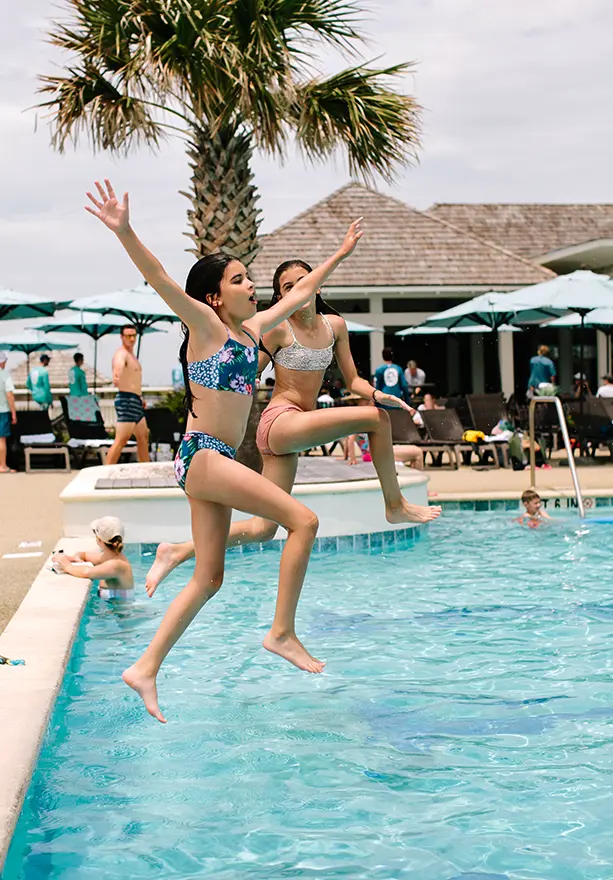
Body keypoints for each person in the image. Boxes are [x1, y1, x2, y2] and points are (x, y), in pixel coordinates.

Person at [86, 177, 363, 722]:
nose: (252, 284)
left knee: (209, 578)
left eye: (251, 277)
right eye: (240, 279)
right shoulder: (207, 325)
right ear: (214, 295)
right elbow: (159, 276)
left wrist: (340, 253)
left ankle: (144, 668)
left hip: (209, 460)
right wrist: (125, 230)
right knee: (302, 521)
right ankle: (282, 632)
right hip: (204, 454)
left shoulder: (253, 330)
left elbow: (303, 294)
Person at [145, 261, 441, 596]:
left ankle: (179, 550)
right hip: (280, 421)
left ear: (316, 286)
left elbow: (353, 380)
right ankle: (395, 505)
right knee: (375, 420)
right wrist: (227, 376)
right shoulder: (277, 328)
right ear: (281, 296)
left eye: (302, 282)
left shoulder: (335, 327)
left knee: (264, 529)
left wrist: (376, 394)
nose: (297, 290)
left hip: (296, 428)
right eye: (287, 287)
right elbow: (243, 363)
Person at [52, 517, 134, 599]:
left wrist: (67, 566)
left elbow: (87, 572)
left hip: (120, 611)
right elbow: (84, 555)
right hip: (111, 607)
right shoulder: (108, 557)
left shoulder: (117, 565)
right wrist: (75, 558)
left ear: (99, 540)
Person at [106, 325, 150, 464]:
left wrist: (140, 396)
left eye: (134, 335)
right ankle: (105, 471)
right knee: (121, 439)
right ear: (122, 337)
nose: (132, 339)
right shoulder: (122, 354)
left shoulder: (132, 356)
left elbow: (134, 379)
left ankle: (146, 469)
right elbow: (118, 365)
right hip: (126, 399)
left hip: (135, 399)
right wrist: (116, 375)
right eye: (128, 336)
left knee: (143, 437)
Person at [0, 352, 17, 474]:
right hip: (2, 410)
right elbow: (9, 395)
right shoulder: (4, 375)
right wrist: (14, 413)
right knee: (1, 440)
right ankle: (2, 466)